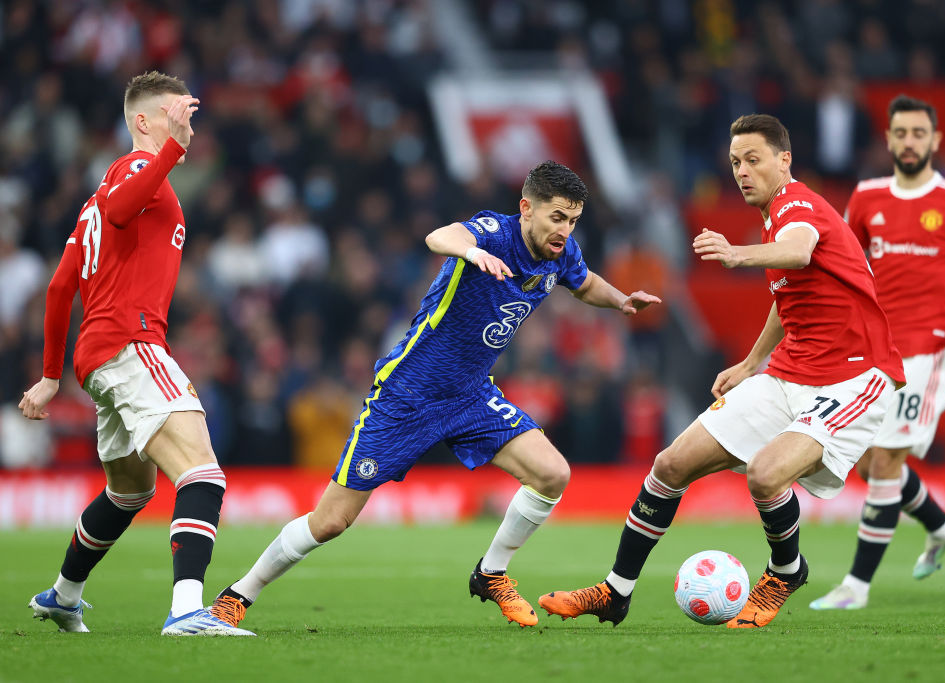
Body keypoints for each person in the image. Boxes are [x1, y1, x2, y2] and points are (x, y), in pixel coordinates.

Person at [207, 161, 661, 630]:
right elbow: (439, 236)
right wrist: (473, 253)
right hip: (408, 394)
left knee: (552, 474)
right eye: (557, 217)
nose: (565, 230)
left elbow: (585, 283)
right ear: (526, 208)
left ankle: (491, 574)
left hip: (470, 396)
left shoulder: (560, 253)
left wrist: (621, 300)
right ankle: (236, 596)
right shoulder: (494, 233)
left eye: (573, 220)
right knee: (330, 521)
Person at [538, 114, 906, 629]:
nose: (742, 171)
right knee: (670, 466)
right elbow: (789, 294)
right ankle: (615, 592)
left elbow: (799, 249)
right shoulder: (775, 217)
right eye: (735, 162)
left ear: (785, 160)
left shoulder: (796, 204)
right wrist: (753, 362)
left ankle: (786, 571)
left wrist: (736, 254)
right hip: (790, 373)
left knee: (766, 475)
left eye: (754, 159)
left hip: (853, 378)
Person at [20, 71, 253, 636]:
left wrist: (51, 375)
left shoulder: (93, 204)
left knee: (129, 491)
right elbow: (124, 208)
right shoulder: (134, 171)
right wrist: (170, 151)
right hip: (131, 342)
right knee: (203, 473)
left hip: (100, 354)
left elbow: (60, 287)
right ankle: (186, 611)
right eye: (175, 115)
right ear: (143, 121)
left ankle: (63, 595)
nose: (186, 125)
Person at [810, 95, 945, 611]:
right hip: (874, 353)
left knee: (885, 460)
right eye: (901, 133)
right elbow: (843, 266)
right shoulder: (866, 198)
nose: (910, 142)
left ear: (936, 139)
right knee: (869, 462)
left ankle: (856, 586)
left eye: (919, 133)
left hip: (927, 353)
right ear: (889, 139)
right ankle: (942, 527)